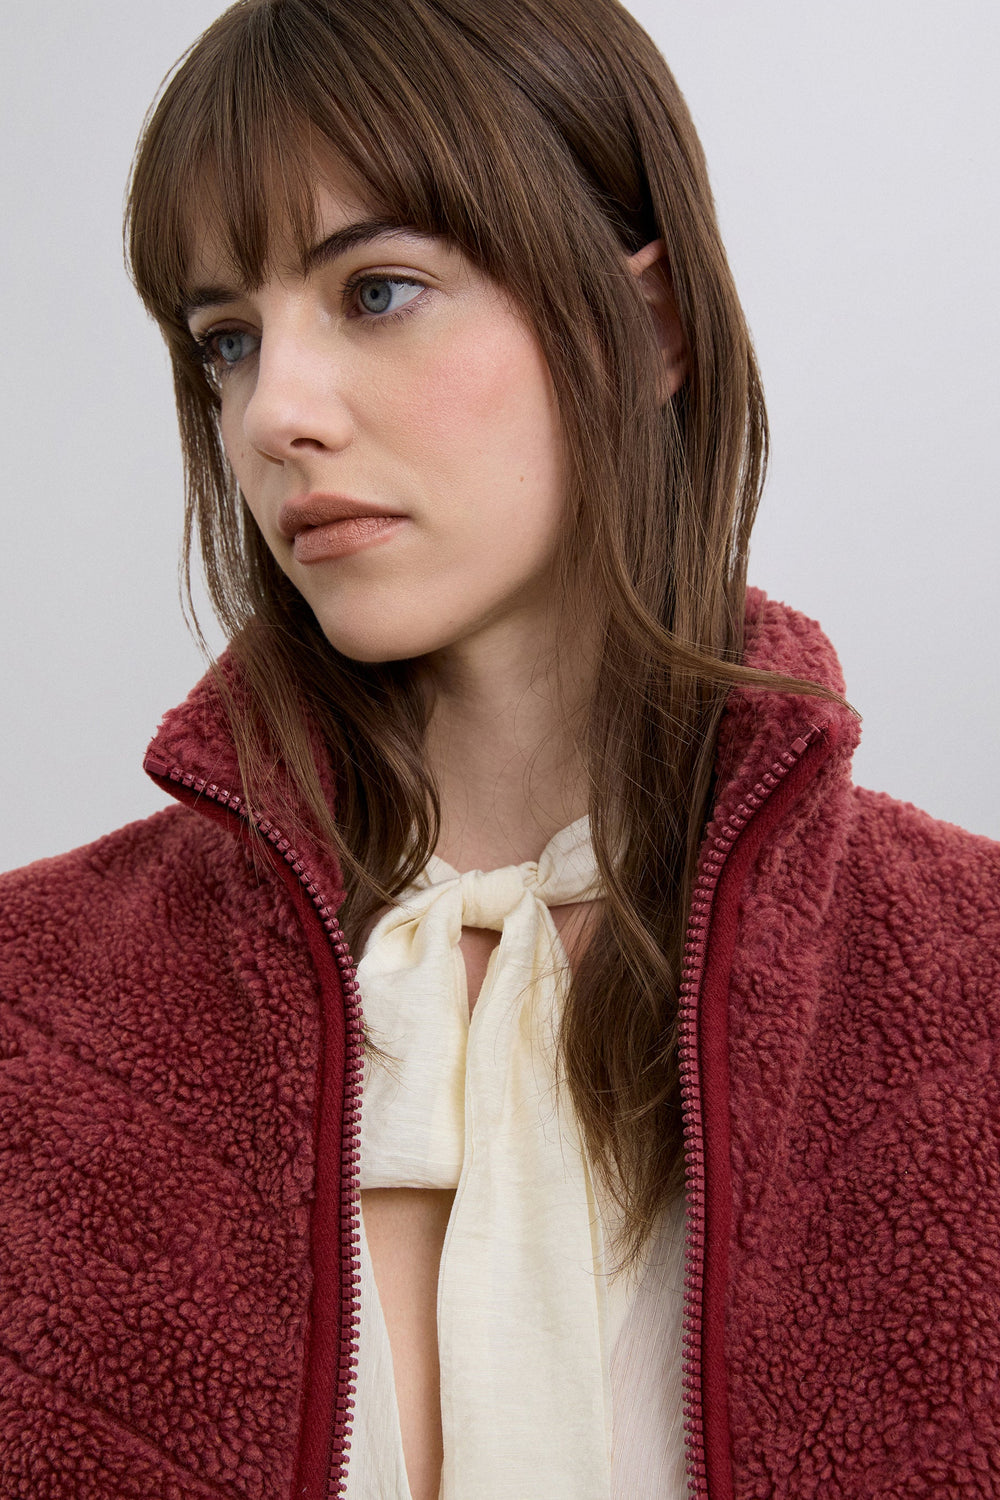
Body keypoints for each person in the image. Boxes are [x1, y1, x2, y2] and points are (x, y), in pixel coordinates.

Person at [0, 0, 997, 1496]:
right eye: (228, 341)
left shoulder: (970, 989)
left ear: (650, 329)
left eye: (378, 291)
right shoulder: (31, 1009)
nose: (274, 414)